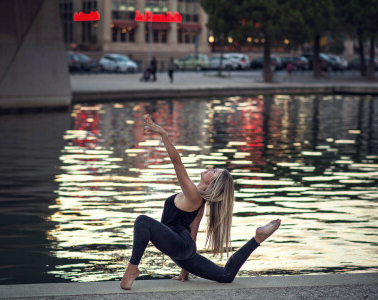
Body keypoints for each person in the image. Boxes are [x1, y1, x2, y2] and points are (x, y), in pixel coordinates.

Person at [120, 115, 281, 290]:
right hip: (183, 249)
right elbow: (193, 235)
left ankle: (132, 268)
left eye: (215, 172)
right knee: (226, 275)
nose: (211, 169)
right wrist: (185, 270)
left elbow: (176, 162)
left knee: (142, 222)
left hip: (180, 247)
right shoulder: (200, 202)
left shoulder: (194, 196)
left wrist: (163, 134)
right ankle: (257, 239)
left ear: (214, 183)